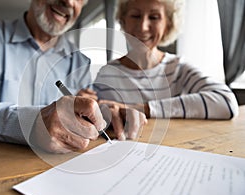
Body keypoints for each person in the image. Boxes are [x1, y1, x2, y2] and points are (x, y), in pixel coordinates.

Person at [0, 0, 146, 153]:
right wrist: (30, 122)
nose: (68, 1)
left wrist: (103, 115)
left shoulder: (80, 62)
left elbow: (82, 116)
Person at [93, 0, 239, 119]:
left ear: (168, 25)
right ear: (123, 21)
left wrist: (144, 109)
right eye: (135, 16)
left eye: (154, 17)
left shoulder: (178, 68)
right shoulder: (105, 73)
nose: (143, 27)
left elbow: (227, 102)